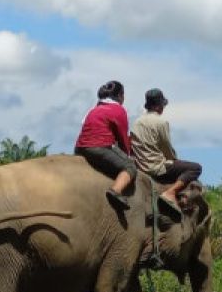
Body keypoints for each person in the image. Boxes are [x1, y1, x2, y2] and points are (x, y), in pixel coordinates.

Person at [130, 88, 202, 212]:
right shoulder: (161, 122)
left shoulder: (136, 122)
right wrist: (175, 159)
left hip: (140, 164)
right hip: (156, 167)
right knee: (196, 168)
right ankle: (171, 192)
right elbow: (166, 148)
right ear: (159, 106)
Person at [75, 80, 137, 210]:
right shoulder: (118, 110)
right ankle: (116, 191)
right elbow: (123, 138)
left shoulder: (93, 109)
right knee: (130, 166)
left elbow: (83, 126)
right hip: (100, 146)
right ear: (120, 95)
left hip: (80, 147)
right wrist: (127, 156)